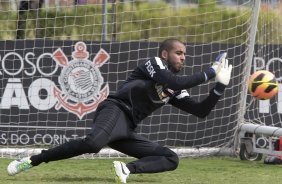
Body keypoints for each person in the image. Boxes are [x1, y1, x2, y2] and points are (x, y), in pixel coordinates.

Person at [7, 38, 232, 183]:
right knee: (93, 144)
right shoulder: (154, 64)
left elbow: (201, 110)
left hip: (126, 128)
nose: (183, 57)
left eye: (184, 54)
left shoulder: (173, 88)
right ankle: (33, 160)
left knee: (170, 158)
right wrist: (211, 71)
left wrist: (220, 86)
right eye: (179, 53)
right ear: (165, 54)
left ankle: (126, 169)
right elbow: (173, 81)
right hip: (114, 109)